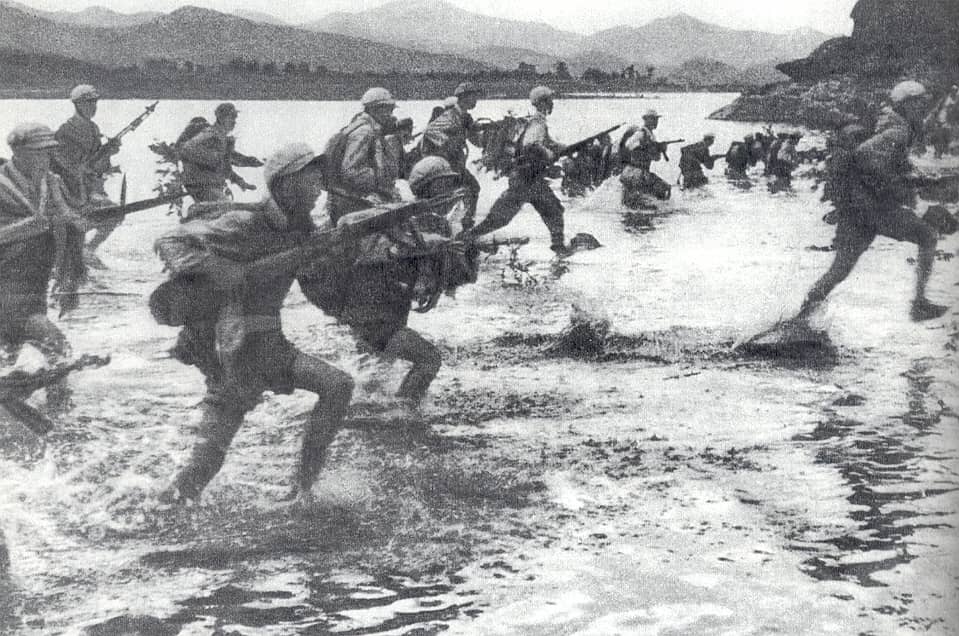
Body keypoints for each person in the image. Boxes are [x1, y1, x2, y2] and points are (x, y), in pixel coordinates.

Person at [155, 143, 354, 507]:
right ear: (286, 184)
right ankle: (162, 511)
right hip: (233, 346)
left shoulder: (301, 230)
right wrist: (220, 271)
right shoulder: (245, 221)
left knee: (337, 386)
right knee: (207, 461)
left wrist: (339, 250)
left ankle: (301, 490)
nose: (319, 188)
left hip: (266, 343)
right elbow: (170, 240)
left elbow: (317, 288)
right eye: (311, 179)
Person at [306, 156, 474, 410]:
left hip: (387, 309)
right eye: (442, 186)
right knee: (428, 360)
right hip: (372, 311)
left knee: (372, 374)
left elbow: (445, 279)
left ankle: (367, 414)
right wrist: (423, 244)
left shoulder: (431, 222)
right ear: (428, 188)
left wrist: (464, 253)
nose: (449, 192)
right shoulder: (395, 218)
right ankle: (402, 414)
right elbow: (376, 250)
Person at [792, 80, 948, 324]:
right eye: (918, 102)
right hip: (876, 208)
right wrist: (899, 189)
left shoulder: (889, 125)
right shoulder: (899, 130)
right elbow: (866, 155)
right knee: (928, 236)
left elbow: (883, 158)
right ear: (906, 104)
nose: (923, 107)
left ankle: (799, 318)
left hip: (856, 209)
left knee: (839, 271)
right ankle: (918, 304)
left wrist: (915, 174)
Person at [1, 123, 87, 410]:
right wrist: (28, 227)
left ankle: (52, 410)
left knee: (8, 356)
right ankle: (60, 410)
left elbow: (68, 217)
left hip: (35, 285)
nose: (47, 159)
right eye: (40, 153)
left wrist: (78, 222)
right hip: (6, 287)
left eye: (50, 152)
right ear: (19, 152)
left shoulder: (49, 183)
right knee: (58, 349)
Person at [463, 86, 570, 255]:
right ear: (542, 102)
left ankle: (559, 247)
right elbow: (531, 144)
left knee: (552, 210)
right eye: (549, 100)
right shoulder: (538, 122)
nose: (552, 103)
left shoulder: (533, 121)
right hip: (526, 179)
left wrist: (566, 148)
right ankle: (466, 240)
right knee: (501, 218)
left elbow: (547, 142)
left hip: (526, 179)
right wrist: (549, 154)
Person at [50, 84, 121, 260]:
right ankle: (75, 250)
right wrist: (84, 168)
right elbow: (62, 163)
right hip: (68, 190)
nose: (93, 107)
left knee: (115, 213)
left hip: (89, 188)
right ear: (77, 104)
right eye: (88, 103)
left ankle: (89, 249)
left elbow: (100, 166)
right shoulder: (65, 131)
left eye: (95, 102)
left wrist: (109, 152)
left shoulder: (94, 129)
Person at [325, 87, 402, 226]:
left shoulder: (363, 128)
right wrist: (381, 181)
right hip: (352, 202)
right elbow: (350, 171)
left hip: (348, 199)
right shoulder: (364, 132)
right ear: (374, 109)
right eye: (387, 109)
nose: (390, 114)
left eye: (391, 110)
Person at [420, 81, 485, 230]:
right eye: (473, 97)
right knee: (461, 192)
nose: (476, 100)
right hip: (443, 165)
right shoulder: (450, 115)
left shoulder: (465, 117)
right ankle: (457, 225)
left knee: (472, 189)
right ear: (464, 98)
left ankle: (466, 224)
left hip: (454, 165)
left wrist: (488, 134)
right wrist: (449, 145)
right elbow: (430, 130)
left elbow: (477, 142)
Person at [178, 102, 262, 204]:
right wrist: (215, 158)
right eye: (231, 117)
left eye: (235, 118)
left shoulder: (223, 139)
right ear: (221, 118)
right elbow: (186, 149)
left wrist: (240, 181)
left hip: (212, 184)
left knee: (225, 209)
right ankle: (196, 211)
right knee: (227, 208)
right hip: (201, 184)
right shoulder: (210, 133)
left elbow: (225, 166)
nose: (234, 122)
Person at [619, 109, 671, 207]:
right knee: (662, 189)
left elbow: (656, 158)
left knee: (664, 189)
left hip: (642, 172)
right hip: (636, 171)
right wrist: (644, 147)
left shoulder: (651, 136)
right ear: (646, 120)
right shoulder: (641, 133)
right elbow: (628, 146)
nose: (656, 122)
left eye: (656, 119)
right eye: (653, 119)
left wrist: (660, 149)